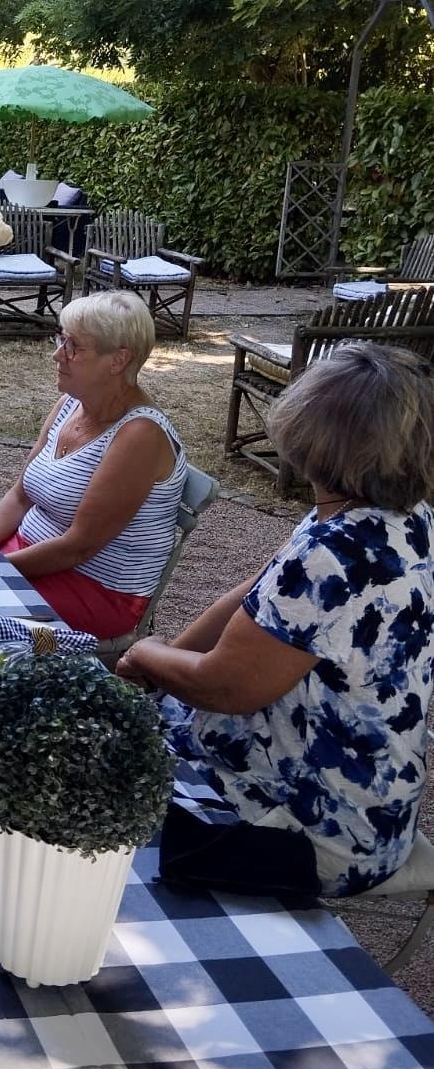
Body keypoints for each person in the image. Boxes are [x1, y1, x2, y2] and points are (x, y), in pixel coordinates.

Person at [117, 342, 434, 897]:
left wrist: (147, 655)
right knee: (115, 723)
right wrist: (157, 665)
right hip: (375, 800)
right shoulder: (399, 518)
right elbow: (257, 593)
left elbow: (224, 687)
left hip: (314, 828)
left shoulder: (335, 553)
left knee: (90, 781)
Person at [0, 290, 188, 635]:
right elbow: (20, 495)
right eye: (61, 339)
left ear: (118, 360)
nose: (57, 355)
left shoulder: (140, 435)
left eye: (73, 346)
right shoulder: (69, 404)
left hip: (94, 590)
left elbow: (78, 547)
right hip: (30, 558)